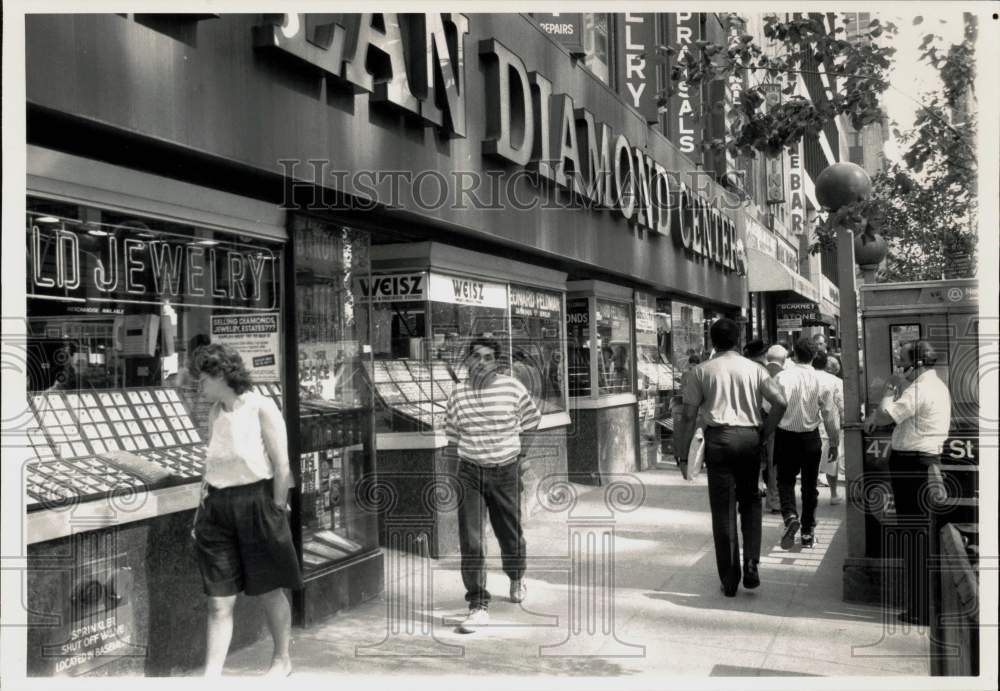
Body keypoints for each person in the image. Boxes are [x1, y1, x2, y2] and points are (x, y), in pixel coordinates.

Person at [190, 343, 302, 676]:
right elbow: (209, 469)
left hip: (258, 503)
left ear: (221, 375)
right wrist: (200, 514)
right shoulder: (215, 413)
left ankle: (282, 659)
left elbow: (282, 467)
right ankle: (212, 675)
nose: (199, 387)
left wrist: (277, 511)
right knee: (218, 599)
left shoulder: (260, 407)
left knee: (268, 589)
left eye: (203, 379)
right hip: (217, 509)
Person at [675, 319, 787, 597]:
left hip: (719, 441)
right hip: (749, 438)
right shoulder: (756, 369)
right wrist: (764, 431)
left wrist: (682, 453)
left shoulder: (700, 371)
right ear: (738, 340)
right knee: (750, 502)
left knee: (723, 509)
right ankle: (751, 560)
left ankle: (729, 578)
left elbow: (688, 416)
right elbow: (781, 402)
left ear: (712, 341)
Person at [446, 337, 541, 633]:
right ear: (469, 361)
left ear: (496, 363)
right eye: (476, 356)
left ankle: (515, 575)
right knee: (471, 541)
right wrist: (455, 478)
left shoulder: (512, 388)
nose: (482, 362)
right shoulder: (458, 394)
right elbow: (452, 438)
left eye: (488, 357)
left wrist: (520, 455)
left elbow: (532, 420)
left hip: (505, 471)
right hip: (470, 473)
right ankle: (477, 604)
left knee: (509, 534)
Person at [863, 340, 951, 625]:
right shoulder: (935, 386)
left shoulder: (920, 388)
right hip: (924, 463)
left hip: (914, 465)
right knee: (919, 535)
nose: (900, 369)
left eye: (903, 363)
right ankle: (923, 604)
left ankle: (921, 608)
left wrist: (888, 390)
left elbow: (885, 414)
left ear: (918, 364)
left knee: (914, 537)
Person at [773, 338, 839, 550]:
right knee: (810, 486)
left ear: (794, 354)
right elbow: (829, 415)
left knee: (785, 480)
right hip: (811, 438)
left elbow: (769, 406)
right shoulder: (823, 381)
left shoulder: (782, 377)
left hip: (785, 436)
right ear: (814, 357)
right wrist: (835, 442)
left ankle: (790, 515)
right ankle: (808, 531)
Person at [814, 352, 845, 504]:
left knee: (811, 464)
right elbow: (841, 405)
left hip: (812, 427)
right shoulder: (836, 381)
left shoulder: (809, 377)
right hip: (830, 428)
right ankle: (833, 494)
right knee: (832, 462)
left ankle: (810, 493)